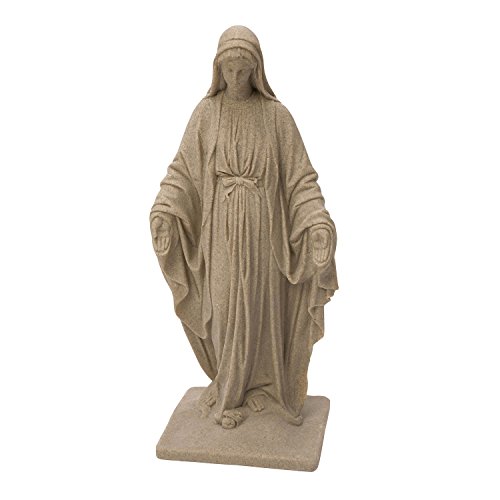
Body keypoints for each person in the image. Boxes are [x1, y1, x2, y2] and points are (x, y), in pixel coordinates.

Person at [150, 26, 338, 429]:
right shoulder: (206, 114)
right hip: (219, 233)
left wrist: (316, 222)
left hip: (263, 233)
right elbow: (182, 173)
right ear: (218, 70)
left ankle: (259, 390)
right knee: (222, 309)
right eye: (229, 70)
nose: (236, 78)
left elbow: (301, 180)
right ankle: (227, 388)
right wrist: (165, 210)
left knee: (260, 312)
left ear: (257, 71)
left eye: (243, 70)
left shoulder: (276, 117)